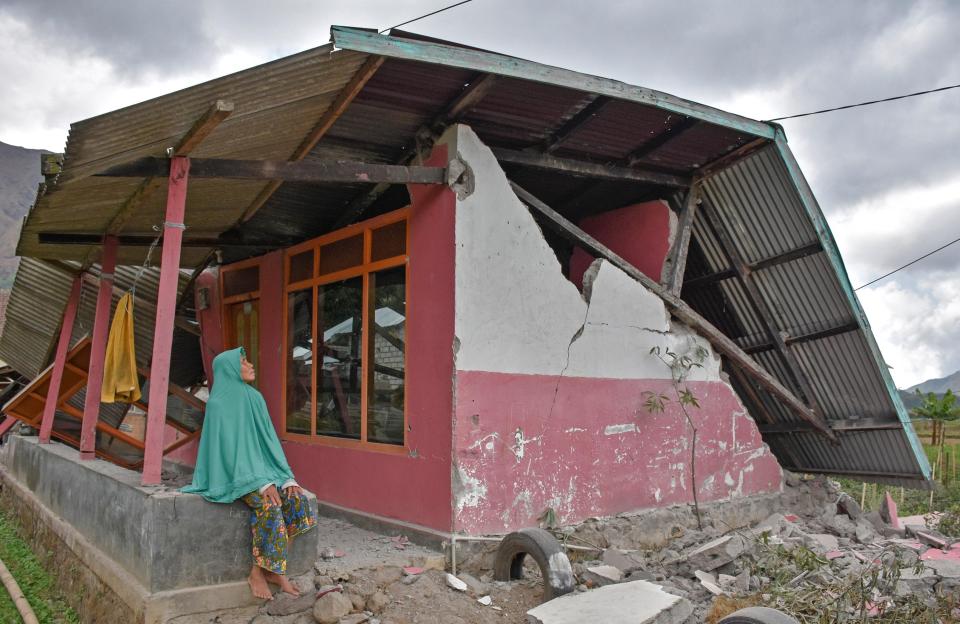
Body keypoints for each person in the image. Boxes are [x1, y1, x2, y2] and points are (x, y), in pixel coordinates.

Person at [182, 347, 316, 600]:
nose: (250, 364)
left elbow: (269, 441)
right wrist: (263, 484)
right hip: (233, 476)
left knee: (298, 502)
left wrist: (286, 477)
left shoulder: (255, 398)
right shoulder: (218, 405)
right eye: (243, 362)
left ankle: (275, 570)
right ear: (229, 369)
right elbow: (229, 453)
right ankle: (257, 573)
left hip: (263, 472)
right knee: (270, 507)